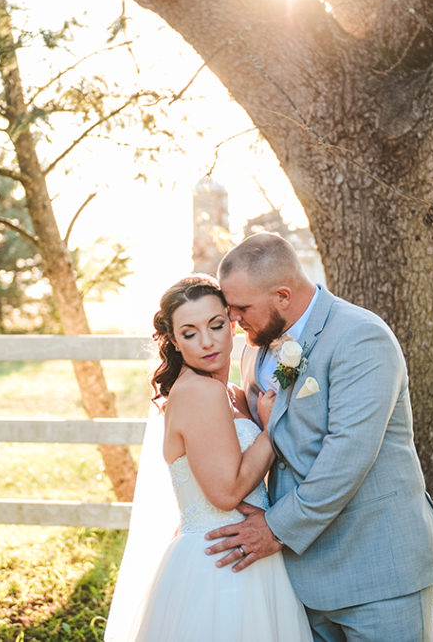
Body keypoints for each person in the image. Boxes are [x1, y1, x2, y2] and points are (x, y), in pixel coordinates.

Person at [206, 232, 433, 642]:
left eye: (241, 308)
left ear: (282, 296)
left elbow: (348, 455)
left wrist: (274, 529)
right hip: (299, 577)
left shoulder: (360, 337)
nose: (233, 320)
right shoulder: (256, 346)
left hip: (376, 568)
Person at [105, 274, 312, 641]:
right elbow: (227, 493)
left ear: (232, 324)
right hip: (220, 565)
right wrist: (270, 428)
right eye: (189, 333)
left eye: (216, 325)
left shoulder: (231, 392)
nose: (206, 342)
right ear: (173, 341)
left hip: (250, 553)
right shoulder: (199, 392)